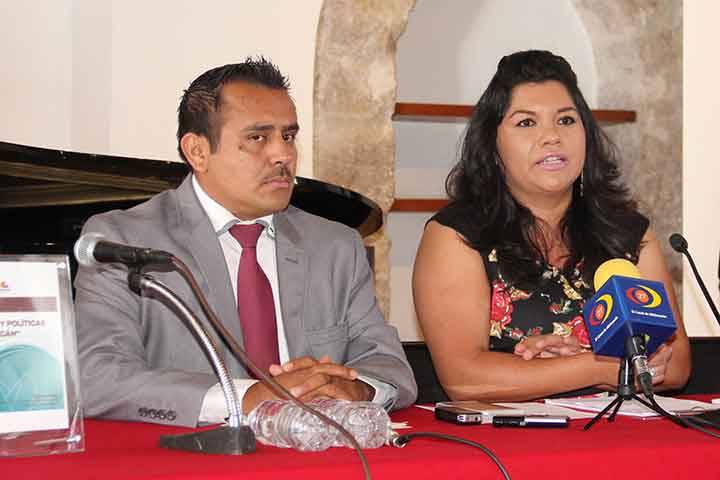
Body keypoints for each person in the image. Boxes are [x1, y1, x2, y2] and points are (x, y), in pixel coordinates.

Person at [74, 58, 417, 427]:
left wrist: (356, 388)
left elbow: (389, 365)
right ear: (197, 151)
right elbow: (98, 377)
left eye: (288, 136)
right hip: (192, 452)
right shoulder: (125, 242)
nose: (284, 154)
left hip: (319, 446)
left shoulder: (334, 245)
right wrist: (246, 397)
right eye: (258, 138)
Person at [412, 50, 690, 402]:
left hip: (623, 428)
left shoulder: (627, 234)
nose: (552, 136)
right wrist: (597, 367)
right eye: (526, 123)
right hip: (512, 435)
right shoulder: (457, 236)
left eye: (566, 120)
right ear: (492, 145)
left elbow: (677, 366)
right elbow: (463, 378)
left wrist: (570, 365)